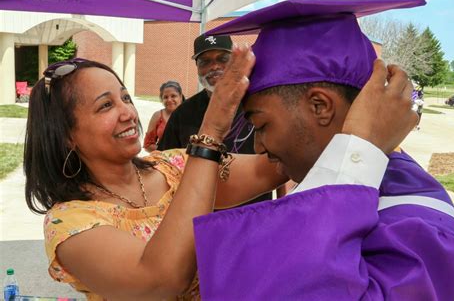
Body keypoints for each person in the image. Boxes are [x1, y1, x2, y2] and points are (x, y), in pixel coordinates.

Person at [191, 0, 454, 300]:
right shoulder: (333, 181)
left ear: (320, 105)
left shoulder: (424, 227)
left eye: (261, 126)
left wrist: (358, 149)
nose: (259, 146)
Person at [24, 52, 288, 300]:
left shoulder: (175, 166)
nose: (128, 113)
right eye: (106, 105)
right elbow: (160, 281)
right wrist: (211, 132)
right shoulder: (70, 222)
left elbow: (276, 166)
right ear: (67, 135)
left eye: (125, 98)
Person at [158, 33, 273, 206]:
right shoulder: (182, 114)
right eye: (205, 62)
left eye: (223, 58)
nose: (215, 66)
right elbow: (164, 167)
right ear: (197, 67)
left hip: (254, 212)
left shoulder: (260, 103)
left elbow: (279, 162)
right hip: (203, 212)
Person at [143, 80, 184, 152]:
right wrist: (167, 153)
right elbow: (147, 145)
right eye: (165, 97)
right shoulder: (157, 116)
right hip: (163, 160)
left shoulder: (189, 114)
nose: (169, 100)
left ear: (180, 97)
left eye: (173, 96)